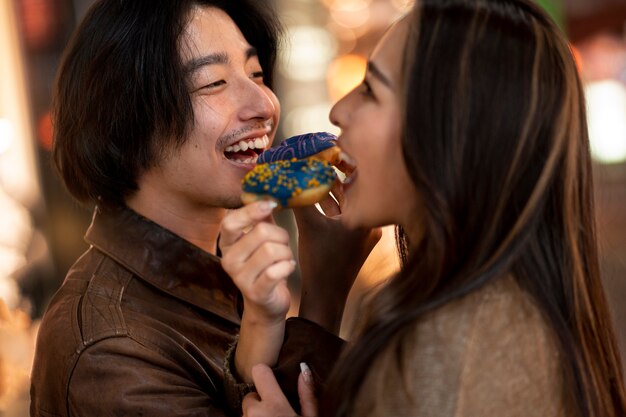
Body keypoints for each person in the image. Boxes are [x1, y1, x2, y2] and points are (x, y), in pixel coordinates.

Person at [219, 0, 626, 416]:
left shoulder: (457, 344)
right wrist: (324, 290)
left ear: (449, 134)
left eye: (372, 91)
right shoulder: (488, 312)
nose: (339, 111)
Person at [29, 1, 378, 416]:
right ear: (127, 122)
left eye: (256, 74)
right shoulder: (108, 352)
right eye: (214, 82)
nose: (264, 105)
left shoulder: (220, 271)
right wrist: (326, 292)